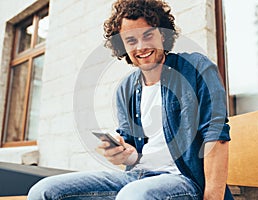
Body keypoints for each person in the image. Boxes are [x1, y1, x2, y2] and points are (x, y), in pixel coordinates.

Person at [27, 0, 233, 199]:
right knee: (44, 191)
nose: (141, 47)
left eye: (147, 35)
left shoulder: (196, 67)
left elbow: (216, 135)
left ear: (162, 34)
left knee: (132, 195)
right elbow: (135, 157)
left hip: (184, 181)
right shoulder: (125, 89)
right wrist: (122, 154)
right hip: (137, 178)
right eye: (131, 40)